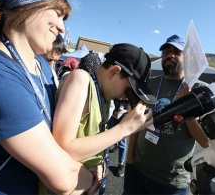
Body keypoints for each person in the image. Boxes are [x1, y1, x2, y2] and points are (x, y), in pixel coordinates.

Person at [0, 0, 95, 194]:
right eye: (57, 13)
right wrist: (95, 180)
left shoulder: (43, 66)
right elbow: (64, 178)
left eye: (63, 19)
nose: (62, 27)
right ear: (27, 5)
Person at [53, 43, 157, 194]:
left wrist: (97, 161)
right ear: (114, 71)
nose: (127, 97)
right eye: (129, 90)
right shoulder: (81, 80)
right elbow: (62, 149)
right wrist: (125, 128)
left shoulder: (104, 97)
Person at [123, 34, 209, 195]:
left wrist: (186, 108)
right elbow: (134, 121)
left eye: (176, 52)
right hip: (138, 171)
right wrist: (129, 159)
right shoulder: (150, 83)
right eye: (166, 51)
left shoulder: (198, 90)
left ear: (187, 57)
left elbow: (205, 142)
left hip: (171, 183)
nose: (170, 55)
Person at [107, 98, 129, 177]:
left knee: (122, 142)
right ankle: (102, 160)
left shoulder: (131, 92)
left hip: (124, 118)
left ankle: (121, 164)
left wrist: (125, 111)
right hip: (113, 116)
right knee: (106, 135)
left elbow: (135, 108)